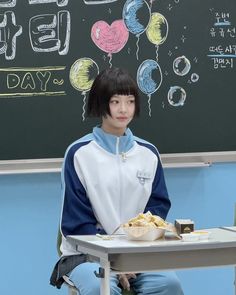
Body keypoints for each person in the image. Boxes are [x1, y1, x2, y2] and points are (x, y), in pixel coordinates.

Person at [57, 67, 184, 295]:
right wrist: (114, 262)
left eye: (130, 101)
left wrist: (130, 259)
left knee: (169, 284)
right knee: (101, 287)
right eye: (115, 102)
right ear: (100, 103)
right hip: (86, 256)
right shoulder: (80, 154)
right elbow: (76, 222)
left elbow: (157, 208)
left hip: (138, 255)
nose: (123, 109)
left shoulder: (148, 153)